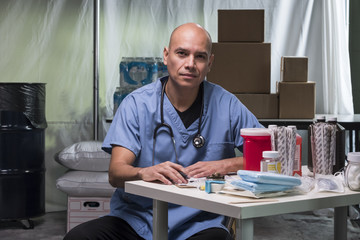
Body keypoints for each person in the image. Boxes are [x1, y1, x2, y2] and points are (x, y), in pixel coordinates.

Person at [64, 22, 262, 240]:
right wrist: (143, 172)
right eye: (182, 53)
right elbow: (116, 173)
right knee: (79, 237)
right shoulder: (136, 105)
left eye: (200, 57)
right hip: (138, 219)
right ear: (166, 56)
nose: (190, 64)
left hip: (200, 222)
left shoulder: (227, 105)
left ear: (210, 63)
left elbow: (269, 157)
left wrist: (225, 165)